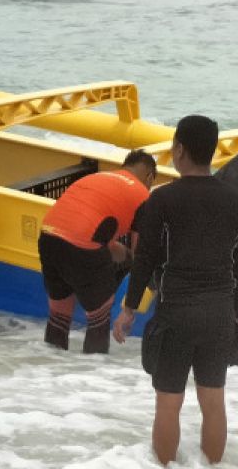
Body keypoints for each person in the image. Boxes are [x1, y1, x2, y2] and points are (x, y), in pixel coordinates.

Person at [113, 115, 238, 466]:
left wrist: (129, 309)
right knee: (213, 401)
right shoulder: (237, 202)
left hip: (177, 312)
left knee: (168, 403)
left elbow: (145, 258)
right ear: (213, 151)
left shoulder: (163, 199)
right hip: (219, 312)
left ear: (179, 149)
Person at [38, 149, 157, 353]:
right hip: (82, 245)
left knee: (59, 315)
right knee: (99, 315)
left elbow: (102, 239)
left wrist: (126, 257)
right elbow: (141, 255)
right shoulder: (142, 195)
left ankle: (49, 370)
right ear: (149, 176)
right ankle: (91, 376)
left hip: (48, 238)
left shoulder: (97, 178)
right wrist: (141, 294)